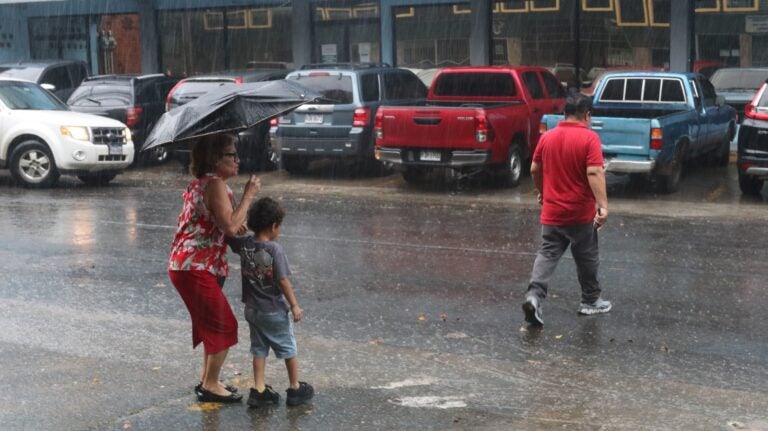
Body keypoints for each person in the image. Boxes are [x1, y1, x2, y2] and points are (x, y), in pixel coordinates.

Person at [168, 133, 260, 403]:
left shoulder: (205, 185)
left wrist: (235, 220)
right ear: (214, 159)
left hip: (194, 266)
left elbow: (225, 224)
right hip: (194, 266)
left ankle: (210, 381)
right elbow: (231, 226)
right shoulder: (215, 185)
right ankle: (209, 385)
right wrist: (250, 195)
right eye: (231, 154)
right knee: (223, 325)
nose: (237, 160)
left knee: (211, 324)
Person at [522, 92, 611, 327]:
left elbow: (534, 168)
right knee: (586, 256)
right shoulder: (590, 139)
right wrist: (602, 205)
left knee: (547, 254)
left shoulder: (548, 137)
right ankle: (590, 300)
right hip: (579, 213)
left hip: (552, 213)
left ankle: (534, 296)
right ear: (587, 115)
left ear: (565, 113)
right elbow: (594, 172)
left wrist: (543, 190)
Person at [227, 197, 314, 408]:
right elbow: (282, 280)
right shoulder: (274, 250)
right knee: (288, 348)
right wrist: (294, 305)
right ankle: (294, 388)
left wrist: (240, 227)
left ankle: (259, 390)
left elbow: (228, 236)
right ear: (274, 226)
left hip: (252, 310)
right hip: (273, 310)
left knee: (258, 349)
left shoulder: (245, 243)